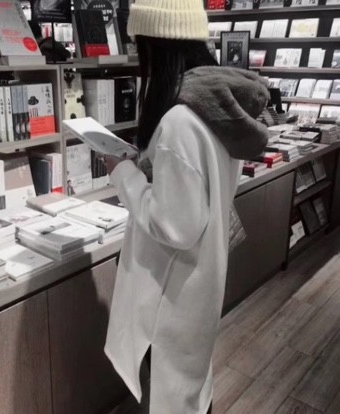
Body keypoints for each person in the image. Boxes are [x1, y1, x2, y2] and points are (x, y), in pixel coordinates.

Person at [103, 1, 270, 413]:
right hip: (199, 282)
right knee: (191, 388)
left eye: (141, 47)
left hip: (169, 292)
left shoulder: (179, 121)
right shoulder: (217, 108)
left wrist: (123, 174)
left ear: (157, 46)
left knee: (171, 391)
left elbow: (176, 227)